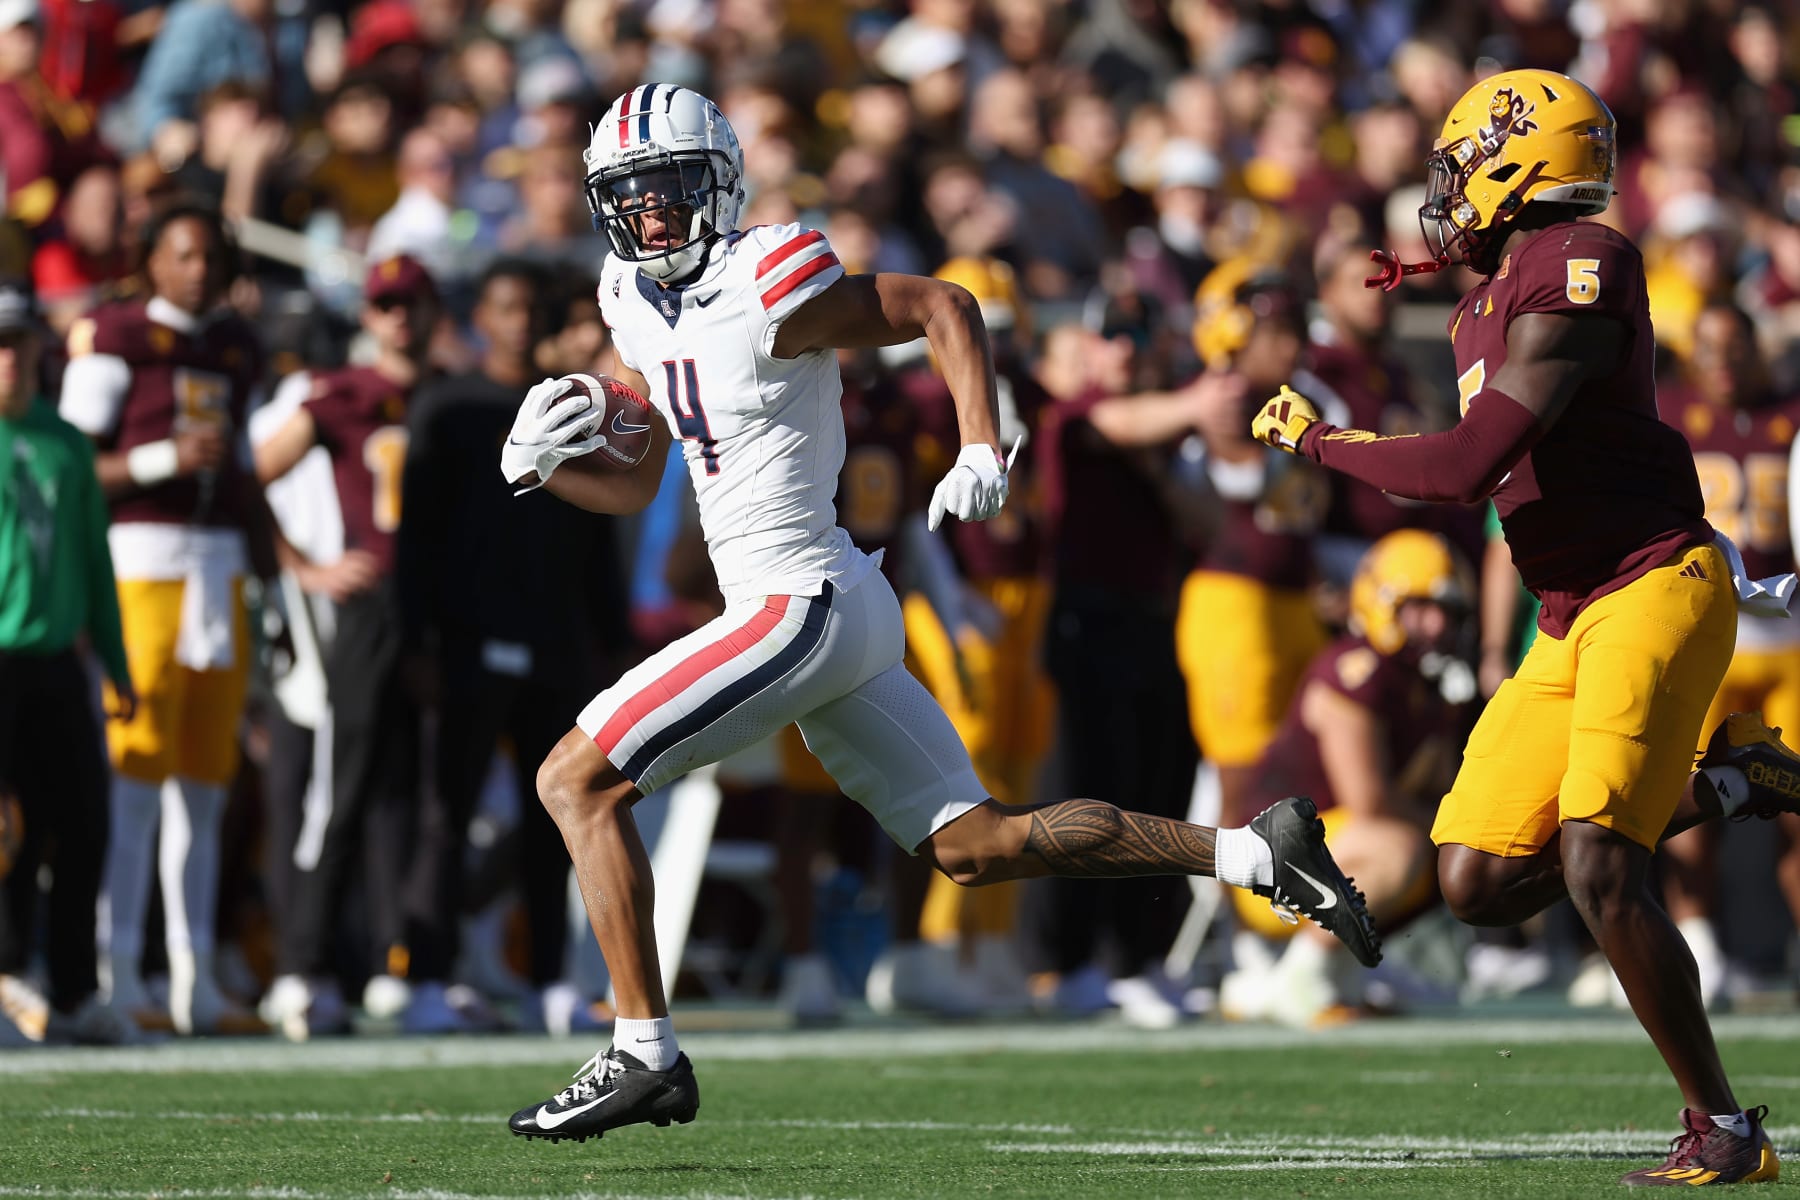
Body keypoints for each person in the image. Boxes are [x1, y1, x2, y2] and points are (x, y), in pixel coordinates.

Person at [500, 84, 1378, 1143]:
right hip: (830, 610)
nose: (650, 216)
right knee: (977, 844)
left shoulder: (766, 276)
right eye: (629, 196)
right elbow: (644, 485)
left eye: (670, 189)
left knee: (573, 780)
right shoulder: (629, 297)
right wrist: (553, 469)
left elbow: (942, 307)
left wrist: (976, 440)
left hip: (800, 597)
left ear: (720, 182)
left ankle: (644, 1051)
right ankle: (1255, 854)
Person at [1253, 68, 1791, 1186]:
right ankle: (1735, 778)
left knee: (1599, 866)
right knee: (1476, 884)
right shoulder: (1481, 300)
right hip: (1564, 613)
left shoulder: (1583, 262)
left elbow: (1459, 470)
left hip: (1651, 585)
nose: (1443, 193)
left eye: (1461, 167)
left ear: (1521, 162)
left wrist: (1321, 444)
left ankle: (1724, 1131)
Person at [397, 257, 628, 1035]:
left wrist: (611, 639)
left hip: (555, 641)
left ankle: (550, 981)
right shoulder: (448, 405)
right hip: (467, 642)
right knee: (446, 813)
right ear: (480, 317)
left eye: (531, 307)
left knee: (556, 816)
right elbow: (417, 540)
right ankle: (427, 979)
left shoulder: (571, 407)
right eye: (505, 306)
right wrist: (416, 640)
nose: (520, 321)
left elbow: (597, 538)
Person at [59, 201, 269, 1037]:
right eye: (183, 255)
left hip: (216, 567)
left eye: (210, 256)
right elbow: (71, 463)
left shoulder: (234, 346)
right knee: (134, 778)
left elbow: (249, 467)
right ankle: (121, 974)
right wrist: (159, 458)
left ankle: (193, 979)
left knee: (206, 788)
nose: (199, 270)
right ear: (151, 260)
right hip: (139, 562)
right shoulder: (114, 337)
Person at [253, 254, 442, 1034]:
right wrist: (305, 566)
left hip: (435, 614)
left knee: (420, 798)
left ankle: (397, 964)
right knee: (342, 788)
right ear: (368, 316)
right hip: (366, 611)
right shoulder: (342, 395)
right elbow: (251, 477)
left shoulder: (452, 397)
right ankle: (303, 967)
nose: (399, 317)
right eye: (386, 304)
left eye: (412, 303)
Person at [1223, 530, 1470, 1028]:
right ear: (1383, 605)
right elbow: (1369, 798)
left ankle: (1337, 975)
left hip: (1328, 846)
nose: (1438, 625)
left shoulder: (1423, 684)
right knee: (1405, 848)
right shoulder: (1355, 671)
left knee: (1444, 854)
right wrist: (1456, 830)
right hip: (1266, 860)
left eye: (1447, 611)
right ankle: (1301, 976)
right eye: (1421, 608)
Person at [0, 280, 135, 1044]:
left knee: (82, 822)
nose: (8, 360)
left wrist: (115, 663)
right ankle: (10, 969)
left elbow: (92, 558)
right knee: (5, 829)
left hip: (54, 660)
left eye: (17, 343)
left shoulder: (64, 442)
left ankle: (77, 989)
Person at [1664, 302, 1800, 1004]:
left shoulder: (1791, 417)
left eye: (1733, 345)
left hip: (1789, 640)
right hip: (1708, 636)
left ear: (1756, 349)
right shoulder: (1669, 414)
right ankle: (1700, 951)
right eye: (1708, 346)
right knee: (1691, 795)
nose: (1721, 359)